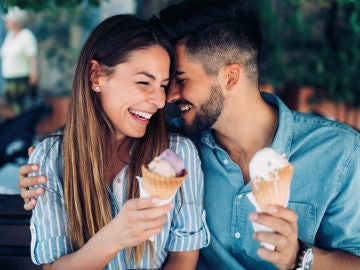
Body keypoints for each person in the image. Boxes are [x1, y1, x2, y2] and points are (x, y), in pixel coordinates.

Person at [19, 0, 360, 269]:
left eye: (177, 80)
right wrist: (43, 168)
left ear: (229, 77)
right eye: (155, 82)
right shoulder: (174, 151)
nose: (164, 98)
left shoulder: (339, 152)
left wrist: (300, 258)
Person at [21, 14, 208, 270]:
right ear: (96, 76)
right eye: (143, 82)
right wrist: (114, 236)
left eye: (163, 85)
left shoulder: (176, 154)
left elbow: (183, 257)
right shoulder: (50, 158)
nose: (160, 100)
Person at [1, 6, 38, 115]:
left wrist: (34, 75)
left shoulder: (26, 36)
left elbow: (32, 56)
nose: (5, 23)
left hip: (21, 80)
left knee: (21, 109)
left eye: (7, 21)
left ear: (15, 22)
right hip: (9, 79)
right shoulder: (10, 35)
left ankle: (22, 129)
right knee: (11, 108)